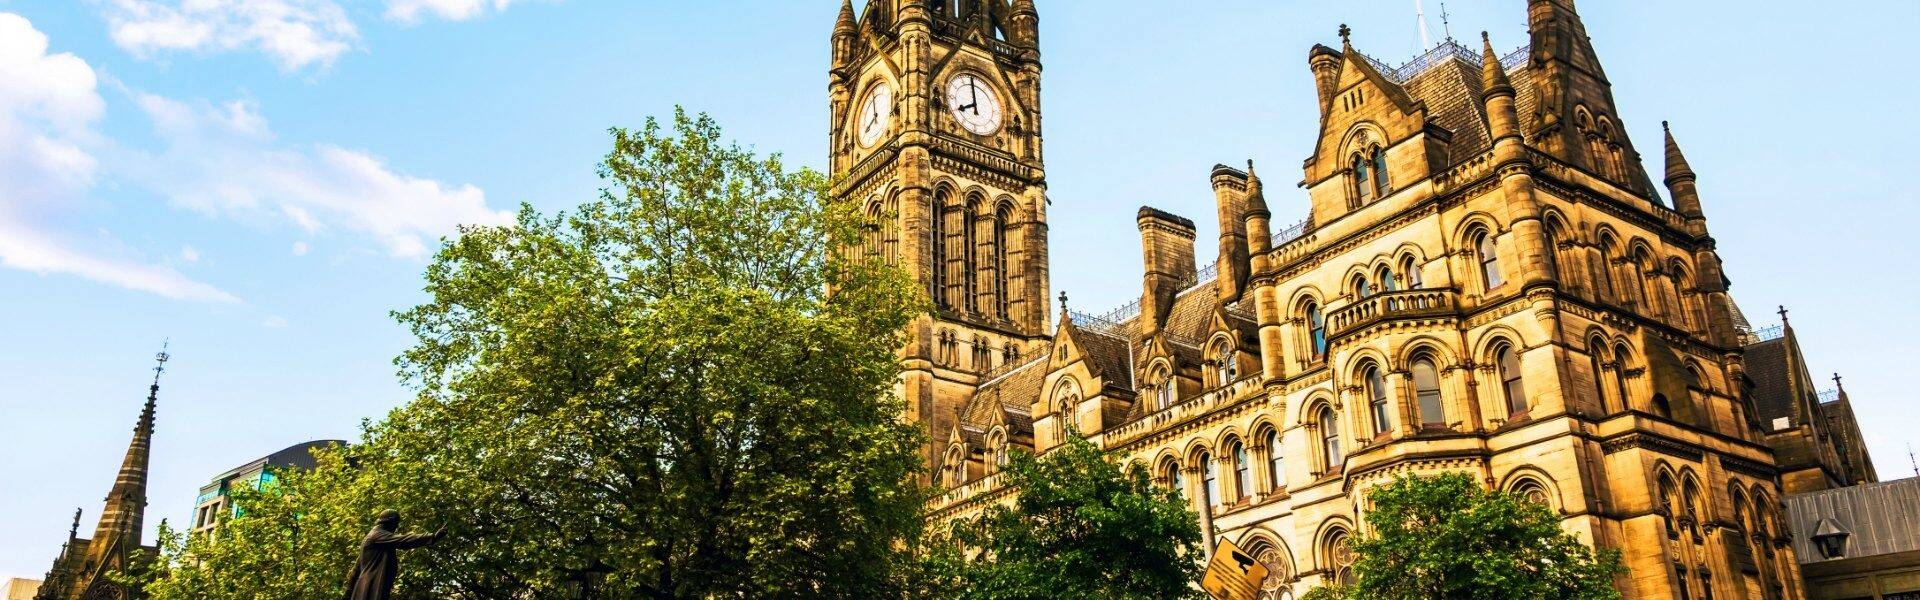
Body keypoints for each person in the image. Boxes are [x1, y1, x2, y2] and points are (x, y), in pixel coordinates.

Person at [342, 510, 443, 600]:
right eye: (396, 523)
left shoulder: (372, 538)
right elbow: (404, 540)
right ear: (389, 522)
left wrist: (348, 594)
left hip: (364, 588)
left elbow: (356, 571)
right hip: (372, 586)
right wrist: (432, 537)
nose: (396, 527)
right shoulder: (377, 535)